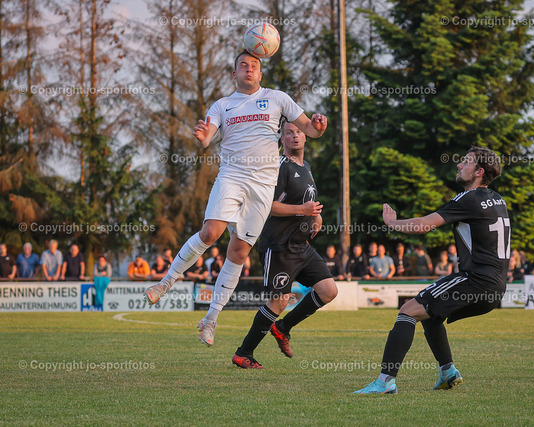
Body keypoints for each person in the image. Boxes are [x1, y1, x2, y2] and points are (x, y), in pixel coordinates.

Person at [144, 50, 328, 348]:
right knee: (210, 232)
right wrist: (202, 137)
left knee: (239, 253)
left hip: (262, 186)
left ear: (260, 73)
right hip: (232, 176)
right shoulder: (222, 105)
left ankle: (210, 319)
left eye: (254, 65)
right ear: (234, 74)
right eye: (243, 65)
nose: (248, 69)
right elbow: (207, 138)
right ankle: (165, 283)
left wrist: (318, 126)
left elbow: (310, 129)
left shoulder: (278, 98)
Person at [355, 146, 509, 395]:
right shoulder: (498, 199)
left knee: (407, 311)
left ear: (479, 172)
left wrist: (392, 223)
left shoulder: (468, 198)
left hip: (476, 280)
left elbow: (423, 225)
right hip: (495, 286)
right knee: (430, 314)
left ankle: (385, 382)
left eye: (466, 162)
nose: (459, 165)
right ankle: (448, 372)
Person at [232, 121, 337, 368]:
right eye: (289, 133)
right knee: (279, 302)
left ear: (306, 136)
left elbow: (308, 202)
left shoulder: (306, 166)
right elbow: (266, 206)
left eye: (299, 131)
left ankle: (283, 327)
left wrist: (316, 216)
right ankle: (243, 353)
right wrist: (302, 210)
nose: (295, 136)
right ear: (281, 139)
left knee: (328, 291)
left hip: (301, 246)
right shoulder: (279, 167)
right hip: (279, 246)